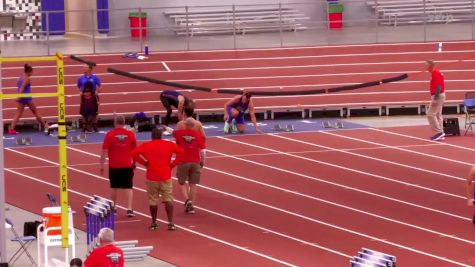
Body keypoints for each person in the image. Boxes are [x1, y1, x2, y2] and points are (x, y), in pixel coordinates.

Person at [132, 127, 184, 231]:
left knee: (153, 200)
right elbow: (182, 153)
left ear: (152, 136)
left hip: (152, 176)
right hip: (165, 175)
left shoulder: (146, 145)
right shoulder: (168, 144)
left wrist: (144, 163)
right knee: (168, 199)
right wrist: (173, 165)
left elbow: (133, 153)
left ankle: (154, 223)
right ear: (161, 135)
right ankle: (170, 223)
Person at [100, 116, 137, 217]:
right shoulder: (130, 134)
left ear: (115, 123)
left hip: (114, 165)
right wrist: (134, 162)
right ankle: (129, 209)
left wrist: (101, 164)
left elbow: (104, 151)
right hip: (127, 165)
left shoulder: (110, 134)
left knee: (114, 187)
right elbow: (135, 151)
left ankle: (114, 208)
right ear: (124, 123)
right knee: (129, 187)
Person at [173, 118, 206, 214]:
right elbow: (203, 151)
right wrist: (202, 161)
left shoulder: (179, 133)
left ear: (185, 125)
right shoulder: (198, 136)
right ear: (193, 126)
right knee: (193, 184)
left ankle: (187, 199)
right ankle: (191, 206)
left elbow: (172, 132)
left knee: (181, 182)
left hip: (183, 161)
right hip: (196, 162)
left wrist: (165, 127)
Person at [9, 64, 49, 134]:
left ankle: (11, 129)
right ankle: (45, 126)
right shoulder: (27, 78)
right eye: (32, 72)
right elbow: (22, 87)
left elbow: (19, 86)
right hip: (27, 97)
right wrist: (18, 96)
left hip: (22, 98)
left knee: (18, 113)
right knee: (36, 112)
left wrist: (19, 96)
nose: (32, 74)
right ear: (28, 71)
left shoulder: (20, 76)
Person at [426, 60, 446, 141]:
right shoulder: (435, 73)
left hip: (438, 95)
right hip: (439, 95)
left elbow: (438, 86)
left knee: (430, 114)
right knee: (438, 114)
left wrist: (435, 98)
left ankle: (439, 132)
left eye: (426, 65)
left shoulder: (435, 73)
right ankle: (441, 133)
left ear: (430, 66)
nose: (425, 67)